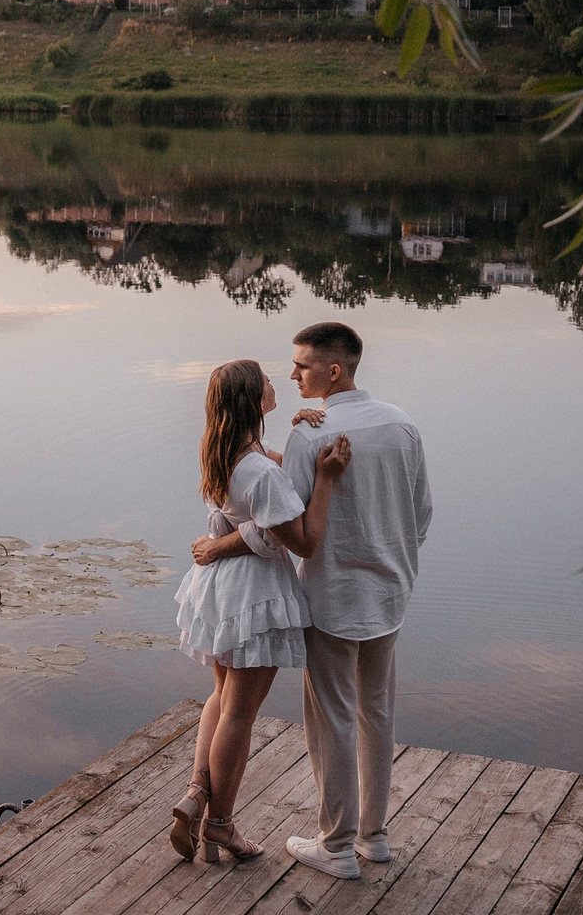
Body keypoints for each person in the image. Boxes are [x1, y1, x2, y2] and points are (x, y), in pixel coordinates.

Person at [192, 321, 431, 880]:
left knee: (333, 719)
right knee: (378, 711)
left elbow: (285, 528)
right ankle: (374, 837)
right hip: (391, 592)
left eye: (301, 365)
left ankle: (337, 845)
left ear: (333, 370)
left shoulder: (310, 437)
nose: (293, 373)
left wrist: (218, 546)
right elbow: (420, 516)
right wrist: (392, 563)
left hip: (333, 595)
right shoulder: (403, 424)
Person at [169, 359, 351, 865]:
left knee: (221, 697)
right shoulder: (260, 471)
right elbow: (304, 541)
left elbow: (274, 482)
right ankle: (220, 825)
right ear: (253, 398)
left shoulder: (222, 451)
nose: (278, 381)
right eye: (268, 380)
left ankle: (197, 794)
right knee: (239, 713)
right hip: (255, 595)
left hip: (220, 591)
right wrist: (327, 478)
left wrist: (301, 437)